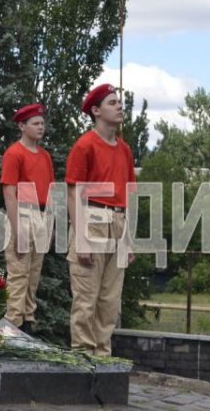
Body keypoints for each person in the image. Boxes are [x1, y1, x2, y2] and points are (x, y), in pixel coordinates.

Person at [65, 83, 137, 355]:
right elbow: (74, 194)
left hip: (118, 224)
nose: (119, 106)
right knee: (86, 299)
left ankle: (103, 358)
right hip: (91, 219)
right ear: (96, 110)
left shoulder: (125, 150)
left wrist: (128, 240)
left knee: (110, 300)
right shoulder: (85, 146)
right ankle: (83, 355)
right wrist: (81, 238)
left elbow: (127, 196)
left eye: (119, 102)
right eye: (112, 102)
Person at [0, 102, 56, 336]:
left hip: (41, 214)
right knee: (19, 275)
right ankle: (12, 326)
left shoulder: (45, 156)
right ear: (22, 126)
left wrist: (50, 226)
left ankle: (28, 324)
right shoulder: (14, 153)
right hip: (21, 214)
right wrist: (17, 231)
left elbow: (51, 190)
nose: (40, 127)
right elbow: (9, 193)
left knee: (33, 277)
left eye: (42, 123)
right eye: (35, 123)